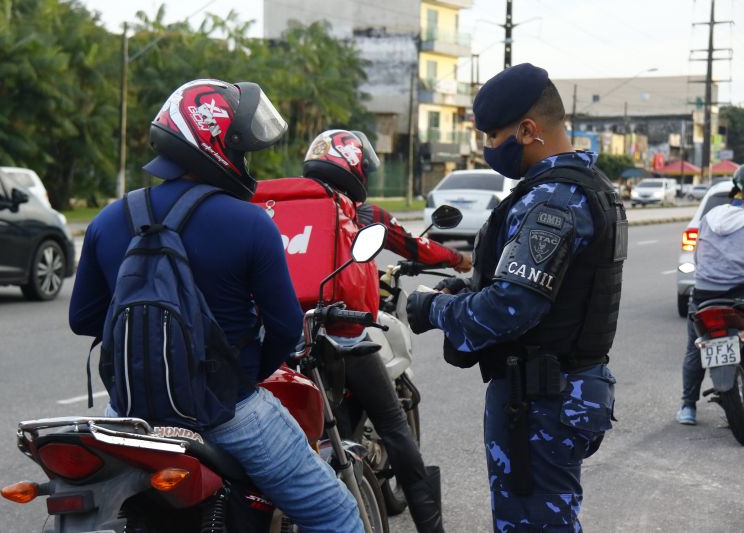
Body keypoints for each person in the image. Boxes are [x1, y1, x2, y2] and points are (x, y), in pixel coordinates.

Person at [69, 79, 362, 533]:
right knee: (337, 515)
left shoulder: (108, 220)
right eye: (240, 150)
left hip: (128, 413)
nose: (245, 163)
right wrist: (242, 373)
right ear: (215, 145)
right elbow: (285, 327)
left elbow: (83, 319)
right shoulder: (250, 223)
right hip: (229, 410)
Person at [406, 63, 625, 532]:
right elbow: (533, 285)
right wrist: (464, 289)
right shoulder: (580, 186)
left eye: (491, 135)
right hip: (557, 394)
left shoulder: (554, 200)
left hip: (542, 402)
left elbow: (510, 307)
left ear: (527, 130)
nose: (487, 147)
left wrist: (434, 308)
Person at [302, 129, 471, 533]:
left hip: (294, 339)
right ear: (354, 167)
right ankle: (431, 526)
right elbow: (413, 245)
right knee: (395, 428)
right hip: (344, 336)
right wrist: (458, 259)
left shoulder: (288, 210)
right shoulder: (363, 215)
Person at [677, 169, 744, 425]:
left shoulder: (709, 216)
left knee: (695, 349)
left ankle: (687, 407)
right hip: (738, 297)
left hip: (704, 296)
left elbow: (697, 259)